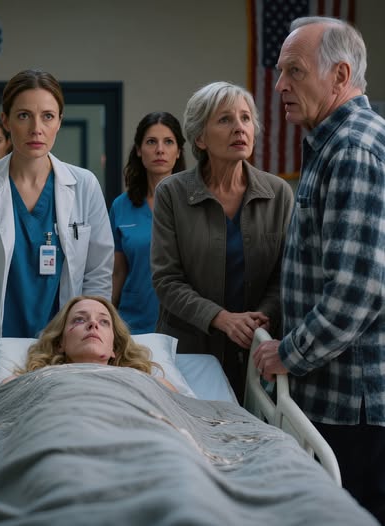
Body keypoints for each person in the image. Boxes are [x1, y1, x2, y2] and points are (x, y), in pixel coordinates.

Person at [252, 16, 385, 524]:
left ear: (340, 75)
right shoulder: (333, 144)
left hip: (353, 404)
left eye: (295, 71)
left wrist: (288, 353)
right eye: (280, 71)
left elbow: (356, 289)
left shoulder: (352, 149)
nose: (280, 85)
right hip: (336, 394)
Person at [0, 69, 114, 378]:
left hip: (64, 348)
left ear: (59, 122)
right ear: (6, 121)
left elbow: (98, 275)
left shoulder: (84, 185)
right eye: (24, 116)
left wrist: (89, 340)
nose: (36, 129)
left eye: (47, 116)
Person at [151, 81, 294, 401]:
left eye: (246, 118)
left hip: (258, 348)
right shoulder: (172, 193)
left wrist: (261, 318)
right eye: (225, 119)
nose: (239, 128)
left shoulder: (278, 193)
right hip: (191, 350)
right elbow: (166, 280)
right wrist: (222, 318)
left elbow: (284, 275)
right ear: (200, 137)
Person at [109, 112, 186, 334]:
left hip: (184, 322)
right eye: (151, 142)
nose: (160, 149)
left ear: (178, 151)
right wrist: (107, 318)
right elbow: (117, 272)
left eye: (168, 142)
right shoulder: (121, 206)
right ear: (139, 150)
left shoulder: (194, 203)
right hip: (133, 323)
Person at [5, 295, 177, 392]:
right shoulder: (22, 384)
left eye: (104, 322)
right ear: (60, 343)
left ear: (114, 348)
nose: (93, 324)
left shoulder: (153, 385)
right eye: (79, 319)